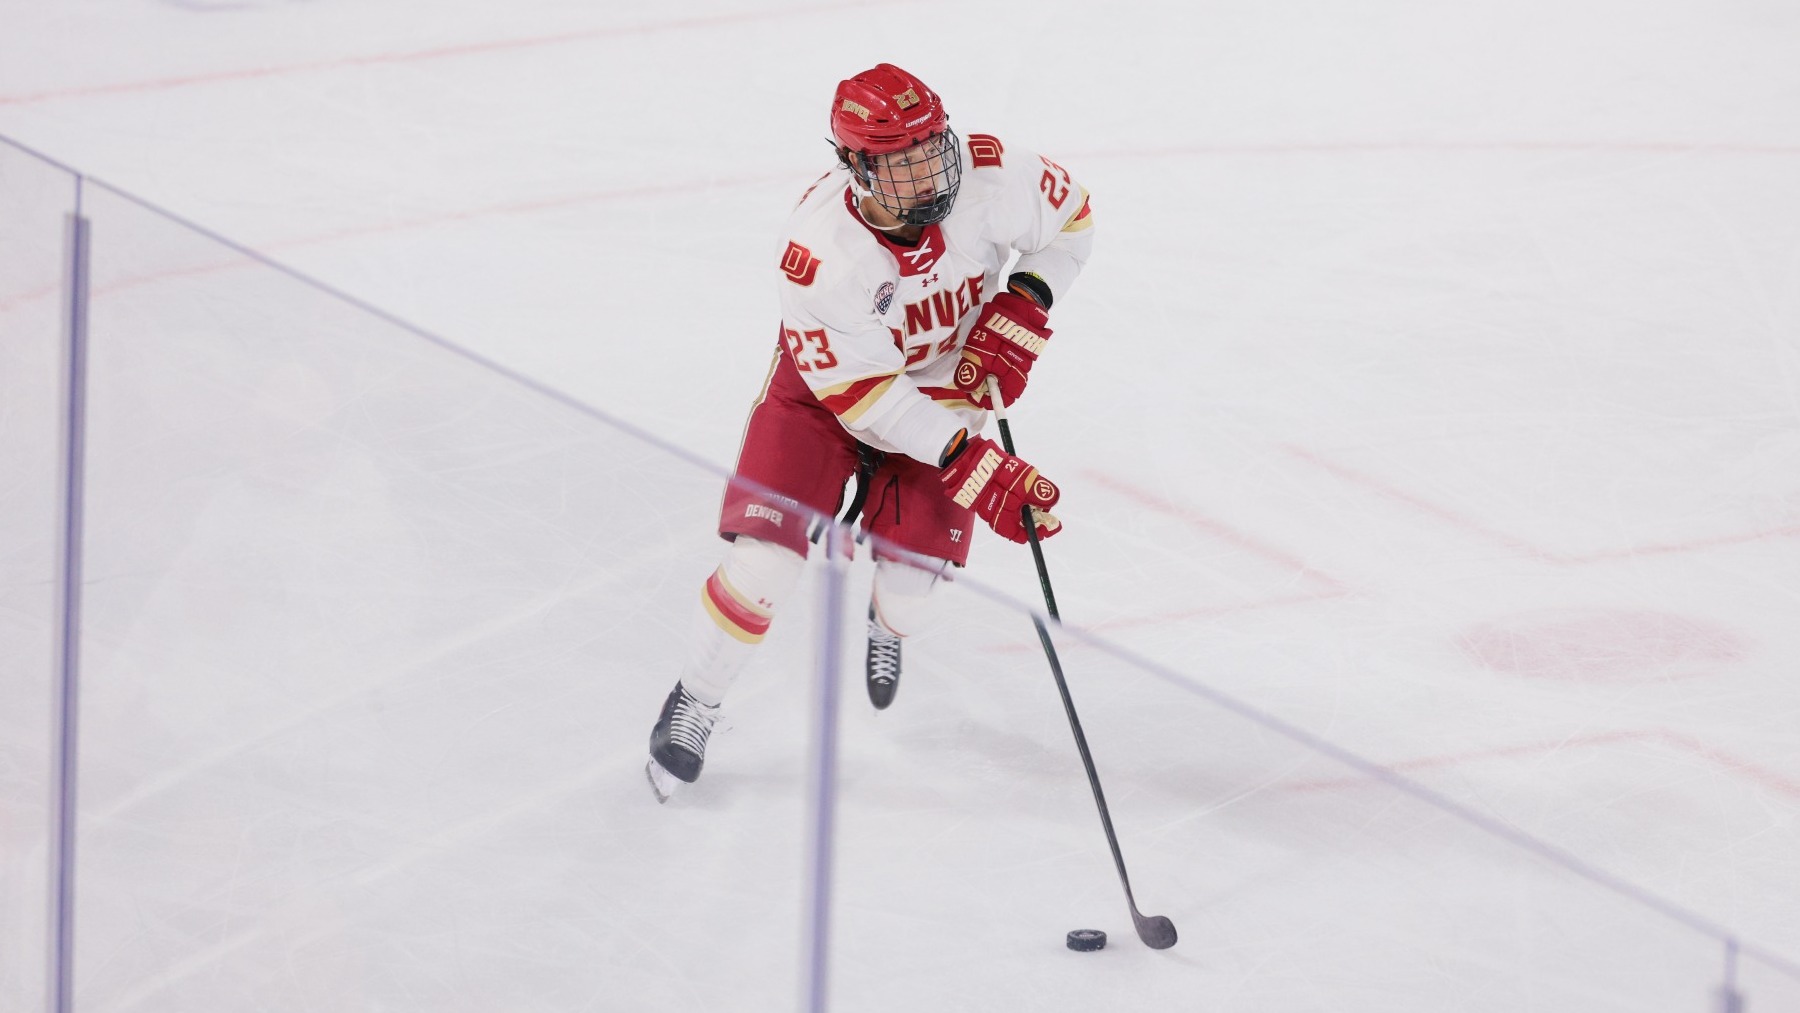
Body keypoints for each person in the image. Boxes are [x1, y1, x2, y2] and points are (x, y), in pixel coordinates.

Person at [646, 63, 1095, 802]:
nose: (930, 174)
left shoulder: (991, 176)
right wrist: (971, 462)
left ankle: (885, 619)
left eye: (932, 147)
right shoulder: (821, 254)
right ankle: (697, 695)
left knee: (913, 593)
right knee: (764, 569)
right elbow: (865, 399)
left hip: (945, 383)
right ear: (855, 166)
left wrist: (1024, 301)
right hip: (826, 396)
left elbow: (1073, 221)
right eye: (903, 161)